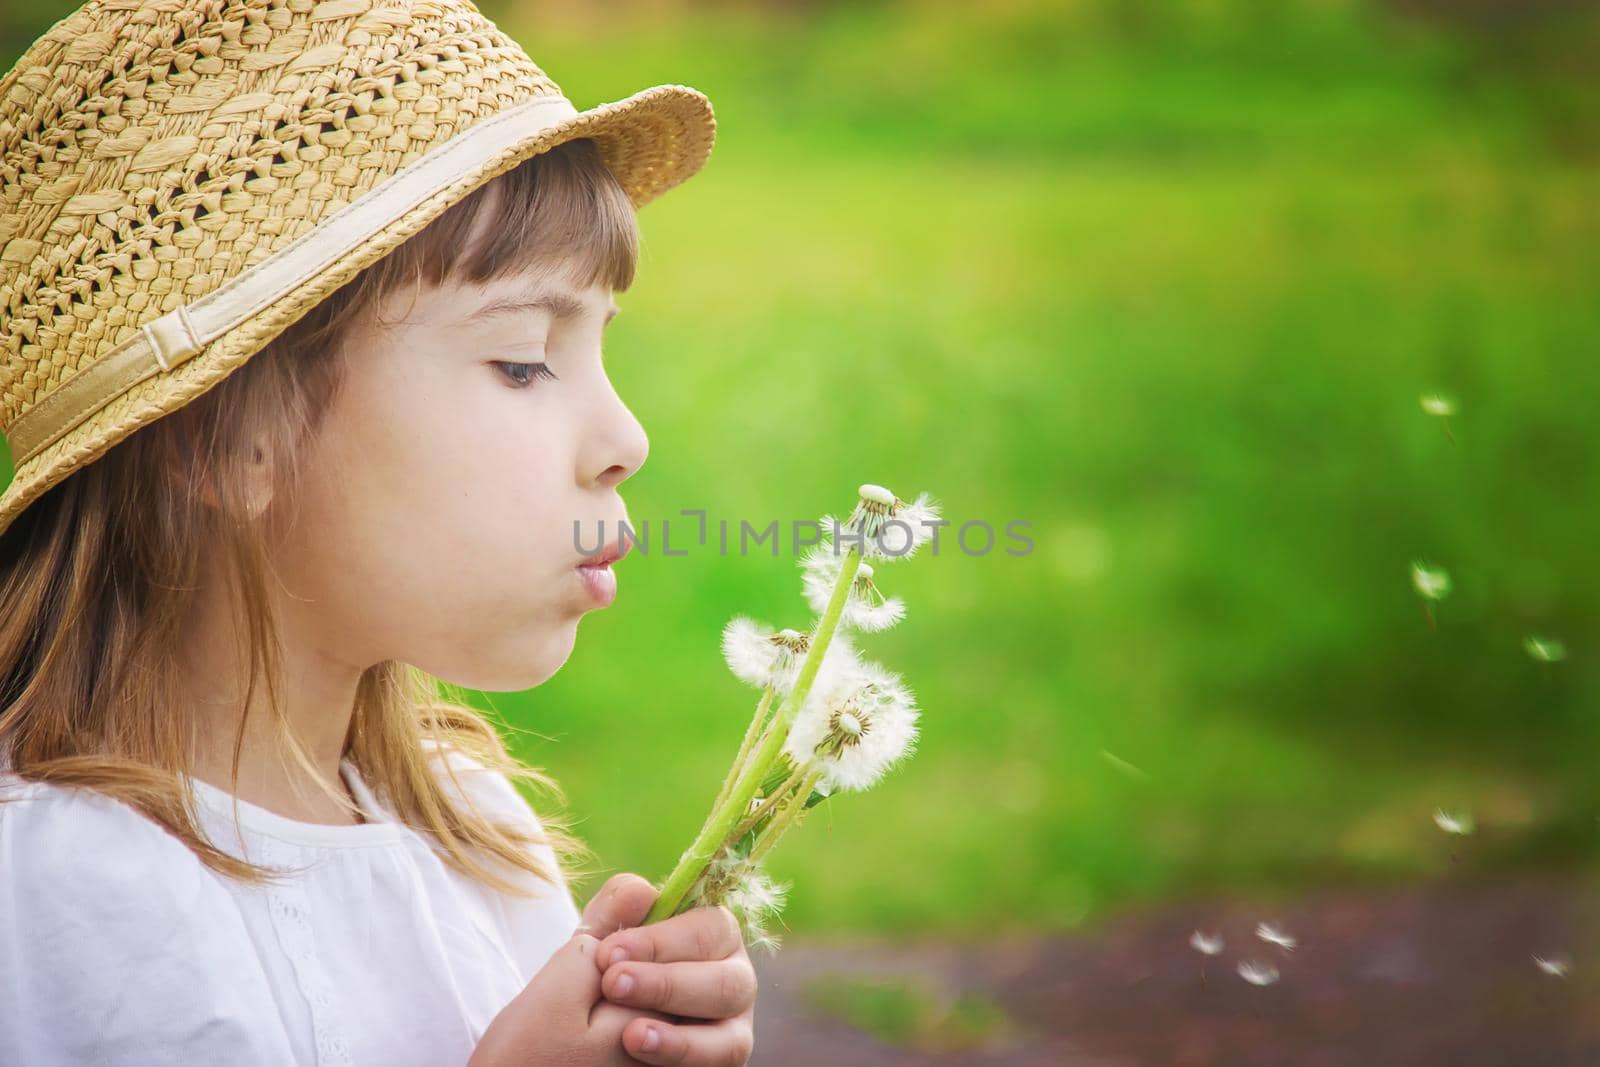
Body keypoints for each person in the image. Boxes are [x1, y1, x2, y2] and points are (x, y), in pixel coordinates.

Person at [0, 0, 754, 1063]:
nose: (625, 436)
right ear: (226, 441)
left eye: (600, 350)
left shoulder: (474, 834)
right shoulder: (56, 895)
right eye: (524, 361)